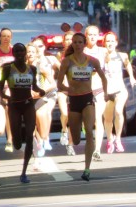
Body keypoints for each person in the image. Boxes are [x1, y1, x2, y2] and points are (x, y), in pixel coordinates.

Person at [57, 33, 108, 181]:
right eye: (75, 42)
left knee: (90, 133)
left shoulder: (92, 61)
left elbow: (103, 78)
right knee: (77, 140)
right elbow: (59, 84)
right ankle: (77, 133)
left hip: (87, 99)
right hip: (73, 101)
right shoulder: (67, 62)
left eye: (80, 42)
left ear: (84, 44)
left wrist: (105, 93)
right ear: (72, 44)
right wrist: (67, 90)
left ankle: (87, 169)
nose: (78, 44)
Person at [0, 43, 45, 183]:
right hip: (14, 106)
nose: (19, 53)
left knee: (30, 136)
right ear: (13, 52)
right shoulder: (7, 69)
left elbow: (35, 86)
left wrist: (40, 91)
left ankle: (24, 172)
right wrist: (8, 98)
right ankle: (16, 142)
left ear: (25, 52)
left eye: (21, 51)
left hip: (28, 104)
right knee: (17, 143)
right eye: (17, 51)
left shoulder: (32, 69)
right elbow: (0, 90)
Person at [103, 32, 136, 154]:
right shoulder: (101, 55)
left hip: (120, 89)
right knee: (107, 118)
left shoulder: (122, 56)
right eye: (107, 41)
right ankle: (109, 139)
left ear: (116, 43)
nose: (110, 43)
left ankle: (118, 139)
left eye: (112, 41)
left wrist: (132, 77)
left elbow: (128, 66)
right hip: (107, 91)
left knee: (118, 111)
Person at [84, 25, 107, 161]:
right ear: (85, 36)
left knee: (98, 118)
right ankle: (90, 144)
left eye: (95, 34)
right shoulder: (81, 51)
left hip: (99, 89)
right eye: (90, 34)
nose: (92, 37)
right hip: (84, 90)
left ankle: (97, 149)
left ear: (99, 36)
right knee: (88, 122)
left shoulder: (104, 52)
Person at [32, 37, 59, 151]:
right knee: (38, 117)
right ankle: (41, 139)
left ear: (44, 47)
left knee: (47, 112)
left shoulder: (50, 59)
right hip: (36, 94)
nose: (38, 49)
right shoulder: (31, 62)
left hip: (50, 92)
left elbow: (64, 70)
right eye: (35, 47)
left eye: (40, 46)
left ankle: (46, 138)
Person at [56, 30, 76, 156]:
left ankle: (70, 144)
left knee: (73, 118)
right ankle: (63, 130)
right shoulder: (59, 55)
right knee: (64, 113)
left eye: (71, 39)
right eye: (67, 39)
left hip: (75, 89)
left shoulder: (80, 55)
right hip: (63, 88)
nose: (69, 41)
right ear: (63, 42)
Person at [0, 28, 14, 153]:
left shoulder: (14, 51)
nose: (6, 38)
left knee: (8, 107)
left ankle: (10, 140)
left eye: (8, 36)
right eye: (3, 36)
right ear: (0, 37)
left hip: (11, 86)